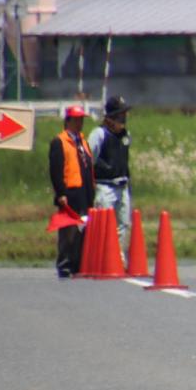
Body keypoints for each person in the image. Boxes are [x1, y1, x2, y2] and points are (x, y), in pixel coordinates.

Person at [48, 104, 94, 277]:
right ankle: (65, 264)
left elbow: (88, 166)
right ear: (68, 121)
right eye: (76, 120)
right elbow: (56, 170)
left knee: (82, 230)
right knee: (69, 231)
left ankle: (78, 263)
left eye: (81, 120)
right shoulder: (59, 141)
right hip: (69, 192)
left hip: (84, 192)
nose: (80, 123)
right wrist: (61, 193)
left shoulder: (82, 141)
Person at [88, 95, 133, 250]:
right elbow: (88, 159)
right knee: (105, 225)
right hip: (105, 185)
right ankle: (103, 258)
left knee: (124, 224)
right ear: (110, 118)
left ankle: (118, 259)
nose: (123, 119)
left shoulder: (126, 135)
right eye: (120, 116)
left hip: (122, 185)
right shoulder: (99, 134)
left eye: (124, 115)